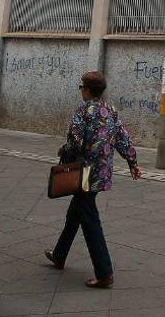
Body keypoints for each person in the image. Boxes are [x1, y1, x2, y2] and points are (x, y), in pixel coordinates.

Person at [45, 71, 141, 288]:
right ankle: (59, 255)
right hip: (102, 172)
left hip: (84, 173)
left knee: (89, 220)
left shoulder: (82, 112)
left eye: (82, 87)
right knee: (76, 212)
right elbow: (123, 138)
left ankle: (104, 273)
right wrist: (132, 162)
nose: (81, 91)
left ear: (87, 90)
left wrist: (64, 151)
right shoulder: (111, 110)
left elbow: (75, 143)